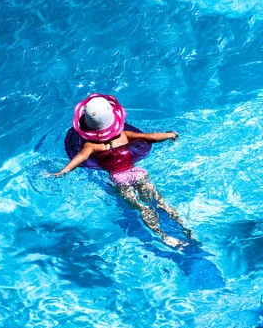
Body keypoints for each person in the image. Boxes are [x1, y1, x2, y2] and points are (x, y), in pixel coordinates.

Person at [48, 94, 194, 248]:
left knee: (141, 208)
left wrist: (62, 171)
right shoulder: (124, 135)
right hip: (136, 173)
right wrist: (170, 134)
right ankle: (185, 229)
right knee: (159, 201)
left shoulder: (92, 145)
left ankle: (164, 236)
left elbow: (81, 157)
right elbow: (150, 137)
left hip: (119, 179)